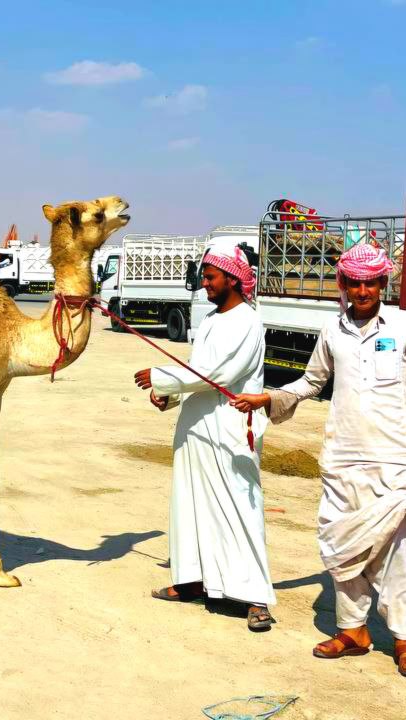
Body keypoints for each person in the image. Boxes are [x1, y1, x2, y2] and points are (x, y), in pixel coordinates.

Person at [231, 242, 406, 677]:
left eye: (371, 282)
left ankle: (404, 639)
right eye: (355, 282)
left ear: (383, 283)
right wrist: (268, 397)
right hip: (342, 457)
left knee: (398, 552)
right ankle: (354, 631)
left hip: (392, 460)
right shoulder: (332, 331)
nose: (363, 289)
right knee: (341, 548)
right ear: (345, 285)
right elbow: (312, 381)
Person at [133, 243, 276, 632]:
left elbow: (219, 375)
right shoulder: (212, 320)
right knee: (189, 505)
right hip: (195, 428)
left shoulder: (248, 322)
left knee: (239, 509)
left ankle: (255, 597)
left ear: (232, 278)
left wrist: (161, 376)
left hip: (229, 431)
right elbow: (197, 369)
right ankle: (192, 581)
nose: (205, 284)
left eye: (211, 277)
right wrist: (170, 396)